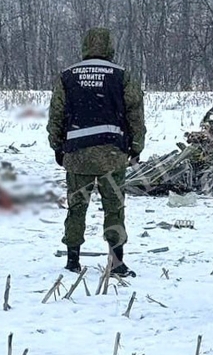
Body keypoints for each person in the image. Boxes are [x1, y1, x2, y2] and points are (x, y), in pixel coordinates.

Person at [47, 27, 145, 277]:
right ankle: (116, 261)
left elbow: (56, 114)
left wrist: (57, 146)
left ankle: (72, 260)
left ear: (85, 46)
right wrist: (136, 146)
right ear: (109, 47)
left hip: (77, 154)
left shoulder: (67, 76)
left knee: (76, 207)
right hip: (112, 155)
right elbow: (135, 113)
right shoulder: (121, 75)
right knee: (114, 208)